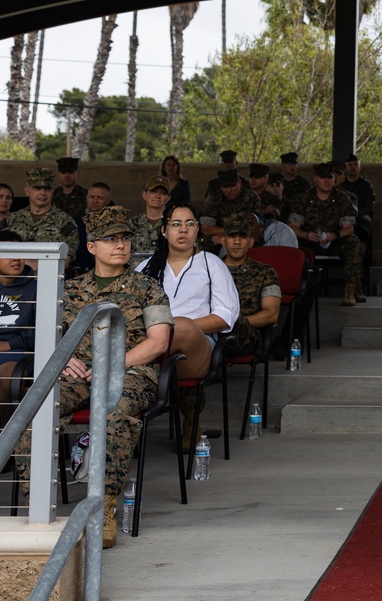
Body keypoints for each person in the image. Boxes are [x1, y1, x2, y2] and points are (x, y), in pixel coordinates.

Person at [15, 205, 173, 549]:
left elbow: (158, 341)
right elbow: (46, 333)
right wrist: (65, 355)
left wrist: (112, 365)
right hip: (77, 372)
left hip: (130, 372)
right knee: (35, 410)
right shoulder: (68, 289)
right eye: (111, 239)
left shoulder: (148, 288)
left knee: (114, 414)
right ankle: (36, 507)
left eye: (126, 238)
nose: (121, 245)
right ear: (91, 247)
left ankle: (103, 509)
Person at [137, 203, 240, 443]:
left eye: (190, 224)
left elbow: (226, 316)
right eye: (175, 224)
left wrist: (182, 328)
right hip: (153, 347)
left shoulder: (211, 263)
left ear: (197, 231)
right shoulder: (146, 267)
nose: (183, 230)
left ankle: (191, 418)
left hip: (198, 346)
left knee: (179, 325)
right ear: (164, 230)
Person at [288, 162, 366, 306]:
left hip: (335, 240)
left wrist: (334, 235)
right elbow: (293, 227)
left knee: (354, 243)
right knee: (291, 244)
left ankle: (350, 287)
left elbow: (349, 228)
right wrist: (306, 235)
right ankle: (294, 288)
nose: (327, 181)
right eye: (322, 177)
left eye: (329, 177)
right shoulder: (304, 199)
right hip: (310, 241)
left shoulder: (342, 198)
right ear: (315, 179)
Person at [220, 213, 281, 356]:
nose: (237, 242)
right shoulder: (209, 269)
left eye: (242, 237)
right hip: (209, 331)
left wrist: (233, 323)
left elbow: (272, 314)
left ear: (251, 242)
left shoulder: (265, 272)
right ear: (223, 240)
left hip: (247, 335)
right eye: (231, 237)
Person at [2, 168, 78, 270]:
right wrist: (28, 262)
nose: (43, 193)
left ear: (52, 191)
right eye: (37, 188)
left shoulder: (65, 223)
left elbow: (65, 261)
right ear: (27, 191)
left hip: (49, 281)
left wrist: (25, 262)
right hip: (14, 283)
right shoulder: (10, 220)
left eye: (47, 188)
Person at [0, 230, 35, 425]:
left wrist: (9, 344)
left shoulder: (36, 285)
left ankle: (9, 445)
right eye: (8, 253)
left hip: (23, 353)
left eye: (20, 253)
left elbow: (42, 332)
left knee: (7, 374)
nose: (16, 259)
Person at [201, 169, 262, 246]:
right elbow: (206, 229)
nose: (229, 190)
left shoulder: (252, 198)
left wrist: (229, 235)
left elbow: (256, 228)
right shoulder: (214, 200)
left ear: (239, 183)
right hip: (219, 240)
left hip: (246, 239)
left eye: (232, 186)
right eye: (225, 187)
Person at [128, 175, 171, 258]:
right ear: (144, 194)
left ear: (168, 198)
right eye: (153, 191)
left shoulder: (174, 224)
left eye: (163, 193)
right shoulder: (131, 224)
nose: (158, 196)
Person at [341, 154, 376, 233]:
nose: (353, 167)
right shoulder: (341, 185)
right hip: (343, 215)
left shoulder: (366, 185)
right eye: (349, 165)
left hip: (360, 215)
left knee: (365, 225)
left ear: (360, 168)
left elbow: (369, 205)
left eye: (355, 164)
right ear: (345, 168)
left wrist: (356, 213)